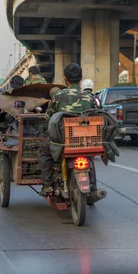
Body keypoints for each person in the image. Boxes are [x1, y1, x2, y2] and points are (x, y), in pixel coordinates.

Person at [39, 63, 97, 195]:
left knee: (44, 150)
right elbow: (96, 115)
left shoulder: (58, 95)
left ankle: (47, 185)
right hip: (86, 140)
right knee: (90, 157)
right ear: (81, 78)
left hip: (62, 140)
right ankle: (92, 186)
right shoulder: (91, 97)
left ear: (66, 79)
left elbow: (49, 116)